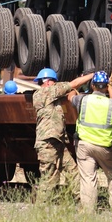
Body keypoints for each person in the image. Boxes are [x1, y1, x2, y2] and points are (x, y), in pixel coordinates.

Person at [31, 67, 94, 202]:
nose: (56, 84)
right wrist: (92, 75)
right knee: (49, 178)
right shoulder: (46, 92)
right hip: (48, 143)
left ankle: (83, 201)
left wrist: (76, 88)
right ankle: (41, 206)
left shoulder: (47, 95)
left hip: (56, 141)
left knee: (73, 171)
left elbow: (71, 90)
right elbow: (73, 84)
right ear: (48, 82)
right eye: (54, 81)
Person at [72, 70, 112, 212]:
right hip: (104, 146)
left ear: (92, 85)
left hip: (84, 145)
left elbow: (70, 94)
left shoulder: (82, 100)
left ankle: (88, 210)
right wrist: (110, 87)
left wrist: (79, 83)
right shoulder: (111, 104)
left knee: (88, 178)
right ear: (106, 86)